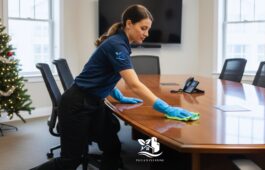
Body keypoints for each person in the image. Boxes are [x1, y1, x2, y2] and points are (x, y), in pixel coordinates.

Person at [31, 4, 196, 170]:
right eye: (143, 28)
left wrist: (119, 96)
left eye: (148, 29)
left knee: (112, 148)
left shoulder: (120, 43)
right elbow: (134, 84)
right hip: (77, 104)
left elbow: (103, 76)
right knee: (70, 161)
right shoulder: (116, 45)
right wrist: (166, 108)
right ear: (129, 24)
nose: (146, 33)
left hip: (94, 102)